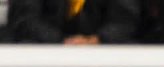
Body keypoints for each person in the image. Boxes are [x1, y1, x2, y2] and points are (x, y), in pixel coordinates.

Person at [5, 0, 136, 42]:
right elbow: (24, 20)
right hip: (43, 59)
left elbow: (125, 20)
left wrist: (97, 39)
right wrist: (63, 40)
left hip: (104, 60)